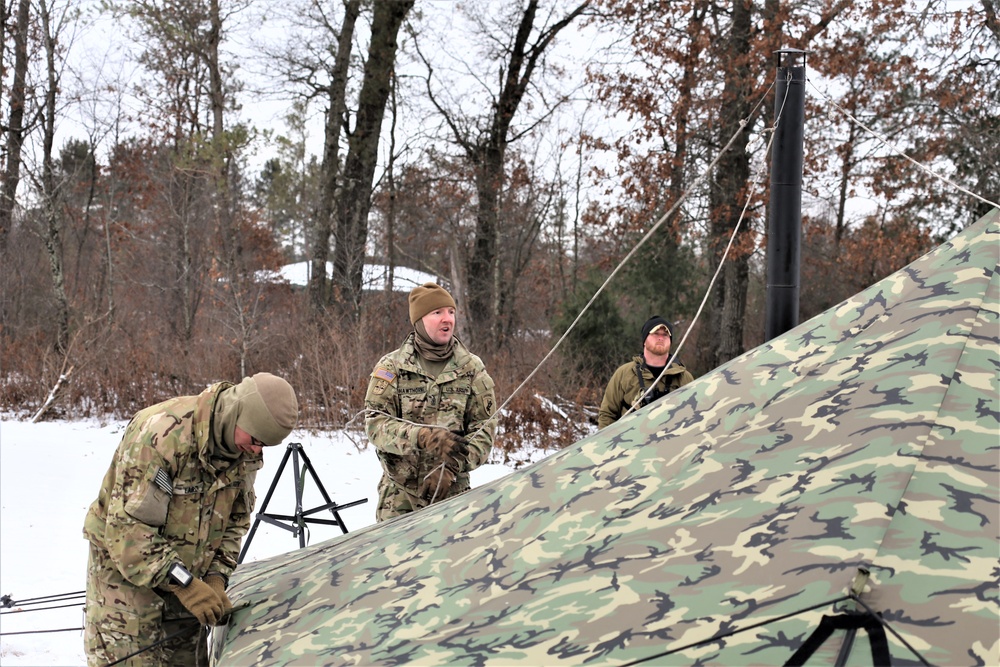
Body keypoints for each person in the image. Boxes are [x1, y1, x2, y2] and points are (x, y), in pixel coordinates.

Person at [82, 372, 298, 667]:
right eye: (255, 440)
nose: (257, 450)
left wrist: (216, 577)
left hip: (188, 579)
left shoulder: (243, 452)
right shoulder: (161, 436)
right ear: (235, 414)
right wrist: (185, 584)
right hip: (127, 579)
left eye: (265, 446)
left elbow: (235, 519)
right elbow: (127, 532)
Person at [365, 282, 497, 522]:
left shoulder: (472, 368)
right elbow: (375, 425)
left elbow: (484, 430)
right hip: (400, 500)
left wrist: (453, 467)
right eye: (437, 313)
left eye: (451, 312)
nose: (447, 319)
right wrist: (421, 437)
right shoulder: (392, 367)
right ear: (419, 321)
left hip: (454, 499)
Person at [598, 316, 694, 429]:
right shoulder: (624, 374)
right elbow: (607, 415)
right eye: (655, 333)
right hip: (631, 443)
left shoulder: (684, 377)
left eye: (665, 335)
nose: (660, 338)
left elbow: (694, 414)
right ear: (644, 340)